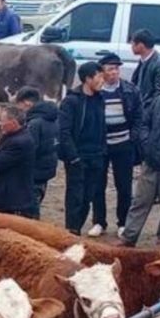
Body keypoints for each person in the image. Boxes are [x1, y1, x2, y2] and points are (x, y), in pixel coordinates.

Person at [120, 70, 160, 247]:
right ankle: (129, 237)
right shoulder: (157, 102)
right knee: (140, 201)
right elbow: (144, 124)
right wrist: (146, 145)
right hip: (150, 163)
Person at [88, 52, 142, 238]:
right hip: (101, 145)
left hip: (123, 143)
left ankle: (123, 222)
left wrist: (132, 138)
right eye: (110, 69)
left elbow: (138, 117)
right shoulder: (95, 92)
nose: (114, 72)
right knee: (97, 184)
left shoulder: (130, 90)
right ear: (101, 72)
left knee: (124, 185)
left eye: (117, 68)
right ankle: (99, 221)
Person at [58, 61, 107, 236]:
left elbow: (102, 127)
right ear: (88, 79)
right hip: (77, 157)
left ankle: (77, 229)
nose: (103, 80)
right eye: (99, 76)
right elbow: (63, 132)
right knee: (75, 197)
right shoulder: (72, 101)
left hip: (96, 157)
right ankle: (72, 232)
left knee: (88, 196)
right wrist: (73, 157)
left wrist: (102, 151)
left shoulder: (100, 99)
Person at [0, 105, 37, 218]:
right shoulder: (13, 137)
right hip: (7, 197)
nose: (0, 124)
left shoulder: (20, 142)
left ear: (13, 123)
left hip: (12, 202)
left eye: (2, 121)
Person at [16, 86, 59, 219]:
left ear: (27, 103)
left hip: (34, 169)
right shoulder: (53, 117)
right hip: (48, 166)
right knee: (38, 196)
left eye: (20, 106)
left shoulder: (34, 123)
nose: (20, 110)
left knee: (30, 206)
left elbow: (30, 148)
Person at [130, 28, 160, 109]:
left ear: (141, 45)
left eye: (133, 43)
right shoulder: (143, 60)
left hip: (149, 110)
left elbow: (159, 93)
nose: (131, 46)